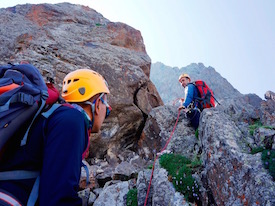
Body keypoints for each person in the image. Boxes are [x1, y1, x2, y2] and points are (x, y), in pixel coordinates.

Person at [0, 68, 111, 205]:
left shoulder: (53, 117)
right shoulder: (71, 121)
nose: (107, 111)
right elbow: (58, 198)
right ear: (98, 104)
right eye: (107, 109)